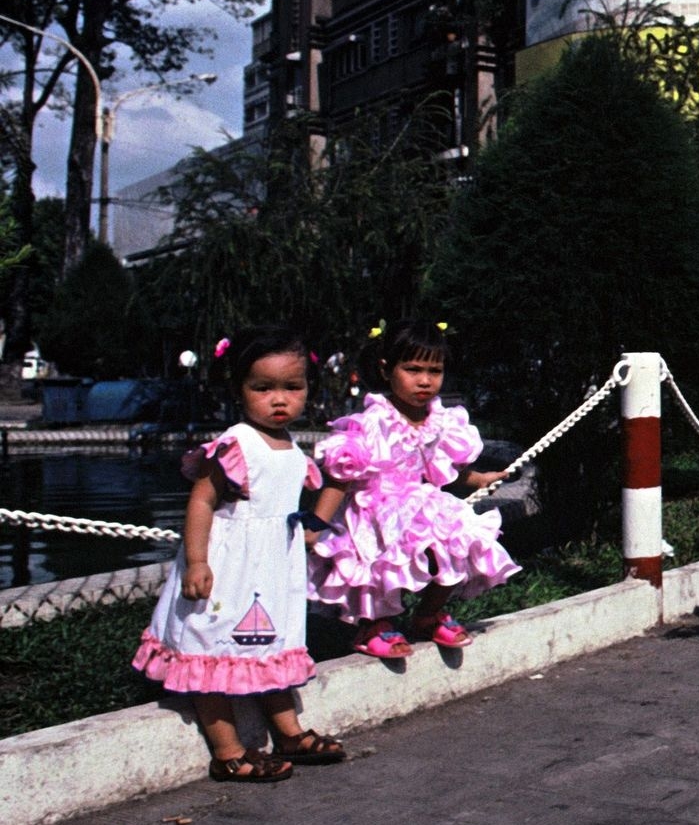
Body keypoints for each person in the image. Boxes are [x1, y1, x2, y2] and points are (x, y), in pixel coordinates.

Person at [132, 326, 347, 782]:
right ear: (239, 390)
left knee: (269, 645)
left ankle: (287, 730)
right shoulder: (236, 445)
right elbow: (201, 502)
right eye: (262, 388)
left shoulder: (292, 448)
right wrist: (197, 562)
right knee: (213, 647)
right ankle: (228, 750)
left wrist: (307, 536)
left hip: (269, 572)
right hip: (228, 571)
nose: (279, 400)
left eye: (292, 387)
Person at [309, 320, 515, 658]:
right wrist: (316, 525)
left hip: (419, 503)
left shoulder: (439, 420)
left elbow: (443, 470)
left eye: (435, 370)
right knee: (379, 564)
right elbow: (341, 475)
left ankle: (427, 615)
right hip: (375, 507)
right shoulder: (373, 422)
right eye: (413, 369)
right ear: (387, 370)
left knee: (462, 539)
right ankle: (375, 624)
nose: (425, 380)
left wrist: (478, 480)